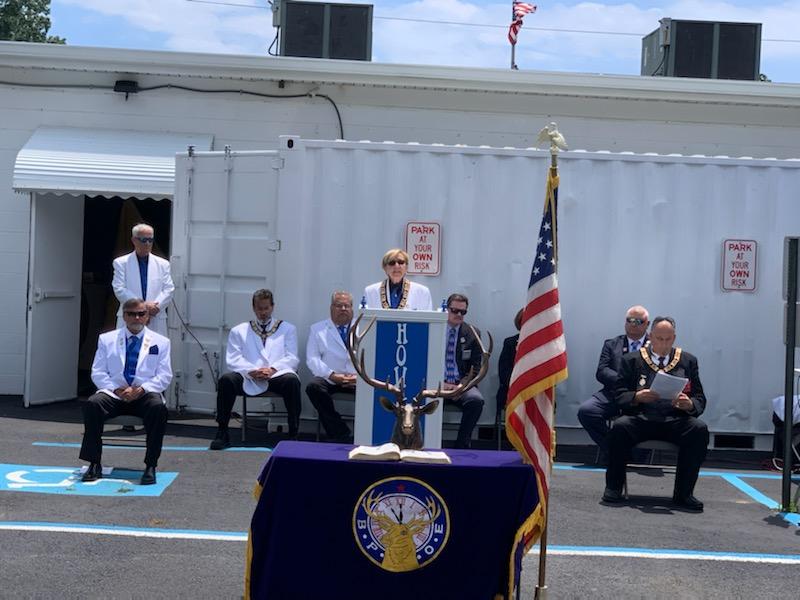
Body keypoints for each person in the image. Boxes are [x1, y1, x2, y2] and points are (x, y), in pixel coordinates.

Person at [603, 316, 709, 512]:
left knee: (699, 430)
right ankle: (614, 487)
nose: (664, 343)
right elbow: (618, 395)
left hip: (674, 419)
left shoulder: (687, 360)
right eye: (659, 339)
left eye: (668, 339)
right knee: (620, 427)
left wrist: (689, 404)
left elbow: (700, 397)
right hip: (642, 418)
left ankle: (684, 493)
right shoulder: (632, 360)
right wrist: (636, 397)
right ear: (650, 336)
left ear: (674, 338)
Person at [79, 298, 171, 485]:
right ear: (124, 315)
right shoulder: (107, 339)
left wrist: (141, 389)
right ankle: (94, 463)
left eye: (141, 314)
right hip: (115, 393)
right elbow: (98, 371)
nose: (136, 317)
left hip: (144, 393)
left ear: (147, 317)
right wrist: (117, 389)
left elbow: (164, 376)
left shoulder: (161, 342)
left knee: (157, 409)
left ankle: (150, 465)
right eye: (131, 314)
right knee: (93, 405)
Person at [210, 289, 300, 449]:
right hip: (249, 376)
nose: (263, 312)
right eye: (260, 309)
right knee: (226, 381)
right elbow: (233, 358)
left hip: (276, 375)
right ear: (253, 308)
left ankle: (293, 433)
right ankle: (222, 431)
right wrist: (251, 370)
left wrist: (272, 369)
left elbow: (292, 358)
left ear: (272, 307)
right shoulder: (240, 330)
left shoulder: (287, 329)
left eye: (266, 308)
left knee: (292, 381)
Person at [578, 305, 650, 462]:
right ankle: (614, 449)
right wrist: (623, 381)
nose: (633, 324)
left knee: (652, 415)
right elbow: (602, 371)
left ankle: (635, 453)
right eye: (629, 320)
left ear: (647, 324)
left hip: (642, 398)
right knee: (586, 411)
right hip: (614, 393)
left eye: (638, 321)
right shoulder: (612, 344)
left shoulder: (655, 345)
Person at [305, 291, 357, 441]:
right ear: (331, 308)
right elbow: (312, 359)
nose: (343, 309)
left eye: (346, 306)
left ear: (352, 308)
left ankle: (368, 433)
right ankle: (339, 432)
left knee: (377, 389)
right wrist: (332, 375)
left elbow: (373, 355)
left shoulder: (364, 327)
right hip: (330, 378)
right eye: (338, 305)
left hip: (357, 379)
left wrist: (358, 377)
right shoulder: (317, 329)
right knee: (313, 387)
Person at [112, 223, 175, 336]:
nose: (147, 243)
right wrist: (143, 307)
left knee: (155, 351)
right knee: (127, 351)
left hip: (155, 316)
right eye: (143, 240)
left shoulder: (163, 264)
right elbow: (119, 289)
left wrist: (156, 307)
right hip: (131, 316)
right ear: (134, 240)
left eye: (150, 240)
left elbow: (168, 290)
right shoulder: (121, 263)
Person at [441, 293, 485, 448]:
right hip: (437, 384)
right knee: (424, 400)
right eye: (454, 311)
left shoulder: (473, 334)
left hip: (462, 384)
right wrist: (441, 384)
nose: (458, 315)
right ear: (447, 309)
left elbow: (476, 368)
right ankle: (429, 441)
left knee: (476, 401)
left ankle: (462, 444)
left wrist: (461, 386)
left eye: (463, 312)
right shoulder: (435, 328)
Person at [364, 248, 432, 310]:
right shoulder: (370, 292)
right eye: (392, 263)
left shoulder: (422, 292)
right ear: (385, 268)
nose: (396, 266)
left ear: (406, 267)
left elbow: (428, 320)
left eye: (401, 262)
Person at [496, 308, 523, 416]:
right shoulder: (510, 343)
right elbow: (504, 373)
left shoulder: (545, 346)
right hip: (513, 391)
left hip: (538, 394)